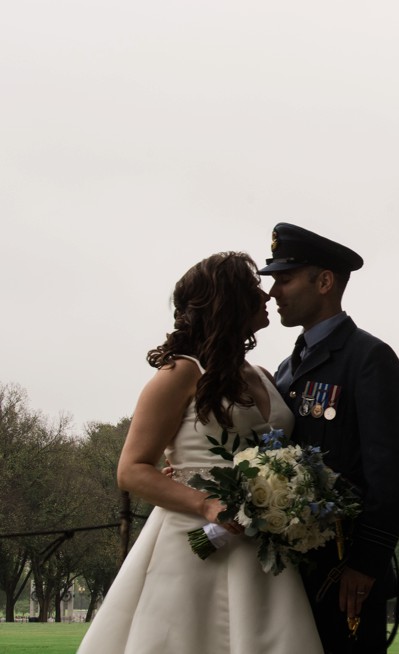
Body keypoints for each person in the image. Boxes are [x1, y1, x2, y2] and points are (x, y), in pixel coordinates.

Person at [77, 252, 323, 654]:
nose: (265, 295)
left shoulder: (263, 375)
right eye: (251, 288)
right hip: (192, 543)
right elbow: (132, 470)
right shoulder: (178, 375)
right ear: (226, 302)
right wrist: (207, 505)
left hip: (261, 550)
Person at [258, 223, 399, 653]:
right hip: (287, 574)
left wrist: (365, 564)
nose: (274, 293)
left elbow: (395, 475)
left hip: (343, 577)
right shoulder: (286, 369)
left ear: (325, 281)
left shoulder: (369, 359)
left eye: (285, 279)